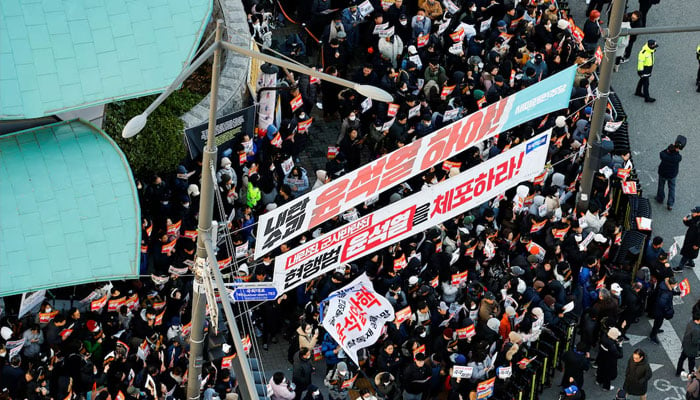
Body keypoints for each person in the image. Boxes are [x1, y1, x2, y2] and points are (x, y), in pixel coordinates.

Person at [655, 141, 682, 210]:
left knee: (661, 186)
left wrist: (668, 149)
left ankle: (660, 198)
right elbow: (677, 154)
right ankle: (670, 204)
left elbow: (661, 153)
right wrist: (676, 150)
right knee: (672, 188)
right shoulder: (678, 157)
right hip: (672, 175)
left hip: (663, 173)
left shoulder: (664, 155)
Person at [596, 327, 623, 391]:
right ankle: (606, 387)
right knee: (608, 374)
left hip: (601, 357)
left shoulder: (603, 337)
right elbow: (620, 355)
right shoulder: (612, 346)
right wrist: (620, 345)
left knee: (600, 369)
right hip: (609, 361)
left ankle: (599, 380)